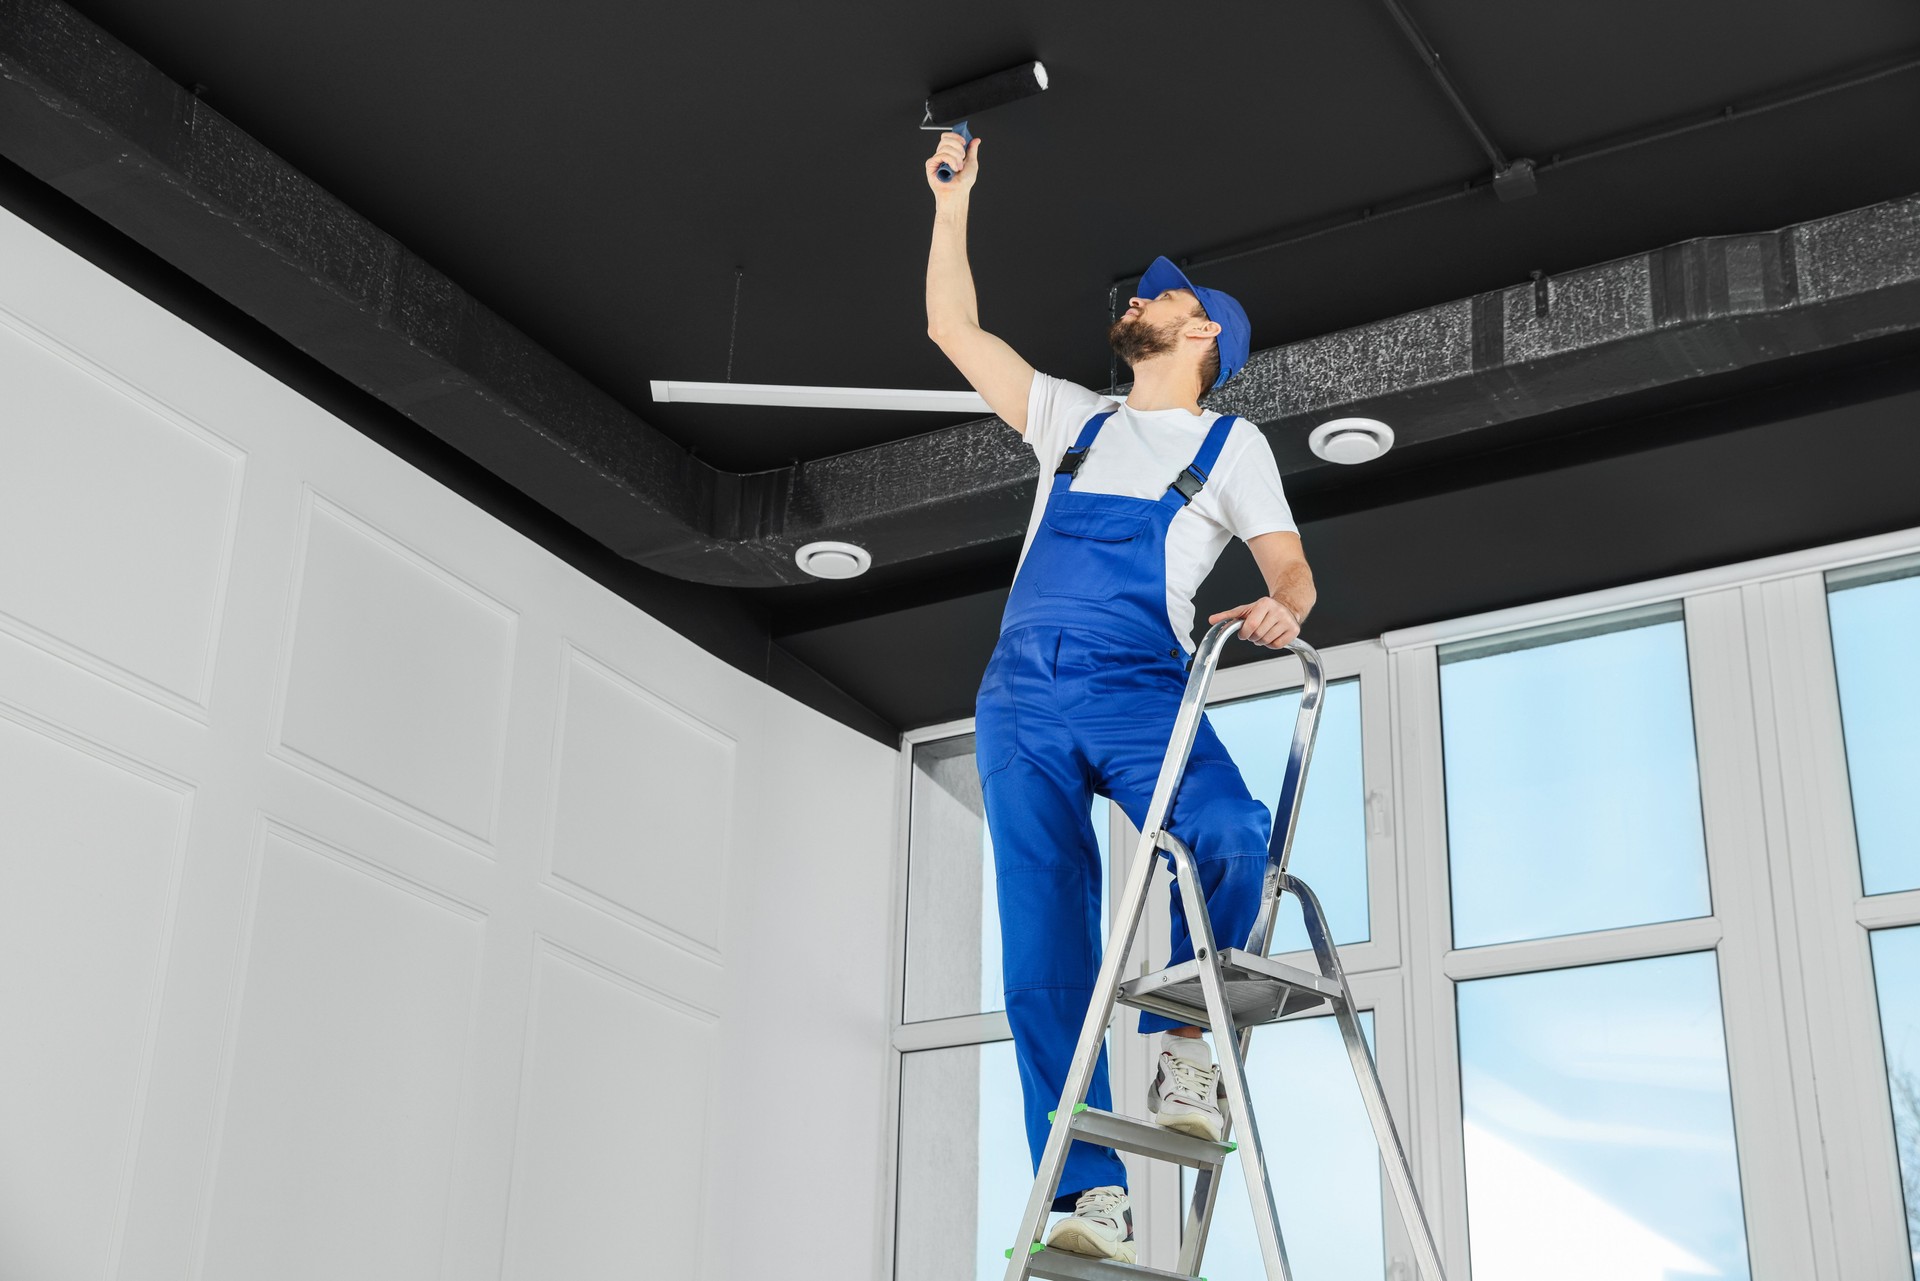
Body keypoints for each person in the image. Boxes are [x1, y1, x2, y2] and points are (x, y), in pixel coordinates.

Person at [923, 130, 1317, 1263]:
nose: (1141, 305)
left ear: (1202, 335)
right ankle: (1092, 1194)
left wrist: (1285, 604)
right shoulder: (1070, 418)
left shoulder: (1232, 446)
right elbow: (953, 329)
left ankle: (1193, 1038)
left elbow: (1291, 569)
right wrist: (953, 206)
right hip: (1022, 698)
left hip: (1141, 684)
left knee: (1233, 830)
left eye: (1166, 300)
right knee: (1045, 953)